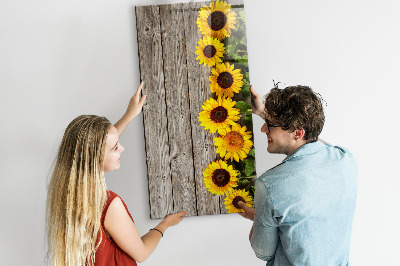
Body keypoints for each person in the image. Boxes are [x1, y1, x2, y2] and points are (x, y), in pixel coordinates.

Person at [46, 82, 187, 266]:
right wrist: (164, 225)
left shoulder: (66, 193)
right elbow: (142, 253)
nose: (122, 148)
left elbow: (97, 148)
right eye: (115, 148)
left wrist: (128, 115)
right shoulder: (109, 205)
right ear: (94, 158)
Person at [238, 84, 358, 265]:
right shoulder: (345, 159)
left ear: (298, 132)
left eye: (270, 124)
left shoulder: (270, 185)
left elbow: (263, 251)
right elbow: (313, 140)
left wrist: (260, 220)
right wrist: (263, 112)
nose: (263, 129)